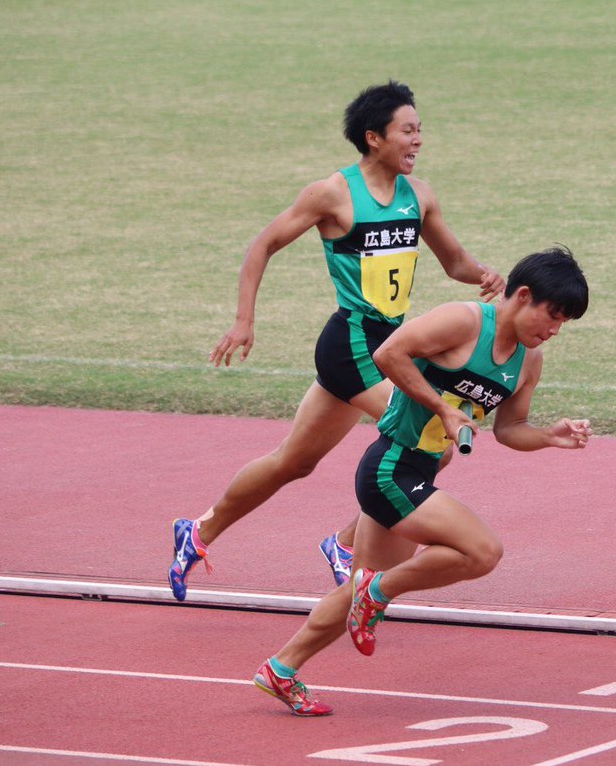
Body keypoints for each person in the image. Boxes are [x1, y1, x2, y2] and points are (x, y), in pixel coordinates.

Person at [168, 80, 505, 601]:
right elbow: (264, 244)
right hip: (351, 343)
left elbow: (455, 263)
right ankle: (348, 547)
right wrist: (243, 320)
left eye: (421, 131)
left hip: (392, 343)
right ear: (374, 138)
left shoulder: (420, 196)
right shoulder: (333, 193)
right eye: (407, 131)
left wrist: (486, 275)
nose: (418, 141)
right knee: (426, 441)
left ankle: (199, 530)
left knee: (294, 462)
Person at [252, 246, 590, 716]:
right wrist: (443, 408)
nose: (553, 331)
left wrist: (550, 437)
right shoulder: (464, 322)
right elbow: (389, 353)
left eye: (563, 325)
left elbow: (510, 429)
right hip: (390, 466)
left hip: (417, 470)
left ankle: (281, 670)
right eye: (552, 316)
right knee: (482, 551)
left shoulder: (528, 361)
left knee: (356, 590)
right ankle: (380, 591)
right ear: (524, 296)